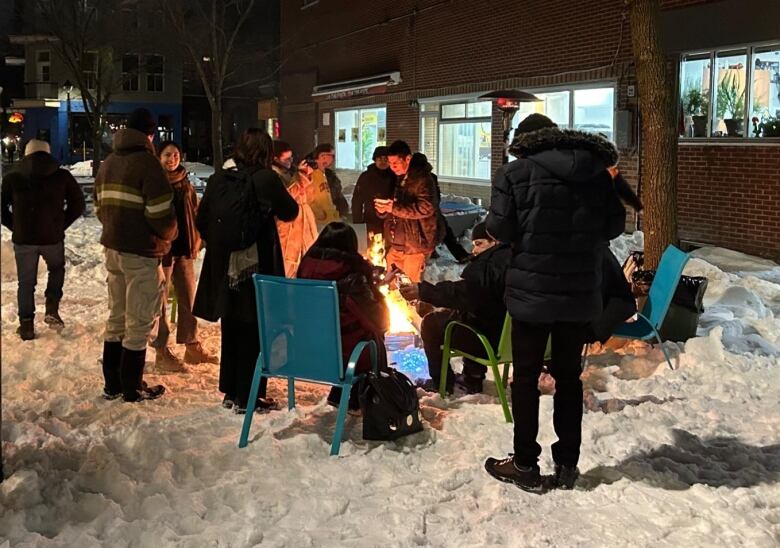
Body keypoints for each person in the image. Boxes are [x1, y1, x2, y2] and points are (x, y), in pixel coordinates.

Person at [483, 113, 626, 492]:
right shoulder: (595, 172)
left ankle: (526, 464)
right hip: (578, 296)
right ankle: (567, 465)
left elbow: (499, 229)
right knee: (568, 380)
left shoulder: (513, 175)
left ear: (525, 141)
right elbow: (613, 227)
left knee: (526, 379)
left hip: (532, 295)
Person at [193, 129, 298, 414]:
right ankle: (249, 395)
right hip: (256, 266)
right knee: (253, 328)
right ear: (266, 152)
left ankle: (230, 390)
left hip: (226, 267)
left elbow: (201, 219)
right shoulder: (265, 178)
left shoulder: (219, 178)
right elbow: (290, 212)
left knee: (232, 326)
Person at [94, 108, 176, 402]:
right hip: (140, 251)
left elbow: (98, 204)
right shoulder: (148, 164)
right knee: (139, 320)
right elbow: (161, 213)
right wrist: (168, 236)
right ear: (150, 134)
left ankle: (112, 384)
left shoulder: (109, 162)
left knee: (117, 316)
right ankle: (132, 386)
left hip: (113, 248)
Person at [399, 222, 511, 394]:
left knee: (431, 323)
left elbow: (463, 294)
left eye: (479, 244)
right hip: (514, 339)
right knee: (464, 314)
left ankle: (442, 384)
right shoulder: (518, 262)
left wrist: (423, 291)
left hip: (489, 340)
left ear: (494, 241)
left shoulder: (490, 267)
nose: (474, 251)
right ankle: (472, 376)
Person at [297, 222, 389, 411]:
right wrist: (376, 291)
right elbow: (380, 320)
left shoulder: (305, 268)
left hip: (306, 350)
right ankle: (365, 400)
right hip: (342, 354)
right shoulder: (351, 276)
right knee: (374, 338)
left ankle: (340, 395)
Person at [1, 139, 85, 340]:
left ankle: (27, 325)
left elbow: (2, 211)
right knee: (56, 269)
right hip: (52, 238)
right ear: (48, 153)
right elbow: (78, 203)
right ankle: (52, 308)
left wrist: (17, 226)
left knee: (26, 282)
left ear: (26, 154)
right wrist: (60, 224)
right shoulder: (62, 176)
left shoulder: (12, 177)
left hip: (24, 240)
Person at [149, 140, 218, 371]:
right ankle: (161, 350)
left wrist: (198, 238)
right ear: (159, 157)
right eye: (168, 155)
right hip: (164, 251)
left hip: (185, 249)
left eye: (176, 155)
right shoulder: (155, 182)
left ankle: (192, 345)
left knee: (189, 298)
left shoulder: (185, 181)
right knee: (160, 303)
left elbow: (195, 211)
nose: (172, 159)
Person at [374, 141, 440, 283]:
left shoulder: (423, 179)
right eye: (390, 163)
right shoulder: (400, 177)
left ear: (408, 159)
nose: (392, 167)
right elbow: (398, 206)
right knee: (391, 284)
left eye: (396, 163)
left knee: (409, 287)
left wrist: (394, 208)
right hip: (398, 243)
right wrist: (385, 210)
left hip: (416, 245)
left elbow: (426, 208)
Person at [272, 140, 318, 277]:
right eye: (286, 159)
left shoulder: (290, 172)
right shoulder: (274, 176)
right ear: (275, 159)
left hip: (303, 225)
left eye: (291, 158)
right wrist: (300, 177)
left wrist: (307, 177)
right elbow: (287, 198)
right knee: (288, 266)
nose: (290, 162)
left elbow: (310, 197)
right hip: (288, 228)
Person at [351, 145, 396, 236]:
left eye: (386, 159)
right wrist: (358, 223)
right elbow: (357, 200)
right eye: (380, 159)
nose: (383, 162)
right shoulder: (366, 177)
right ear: (375, 160)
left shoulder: (396, 176)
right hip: (370, 220)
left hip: (392, 221)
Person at [307, 143, 346, 225]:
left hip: (330, 220)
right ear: (323, 156)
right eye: (332, 155)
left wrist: (336, 214)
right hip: (319, 223)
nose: (333, 159)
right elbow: (308, 198)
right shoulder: (310, 175)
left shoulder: (324, 174)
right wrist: (319, 214)